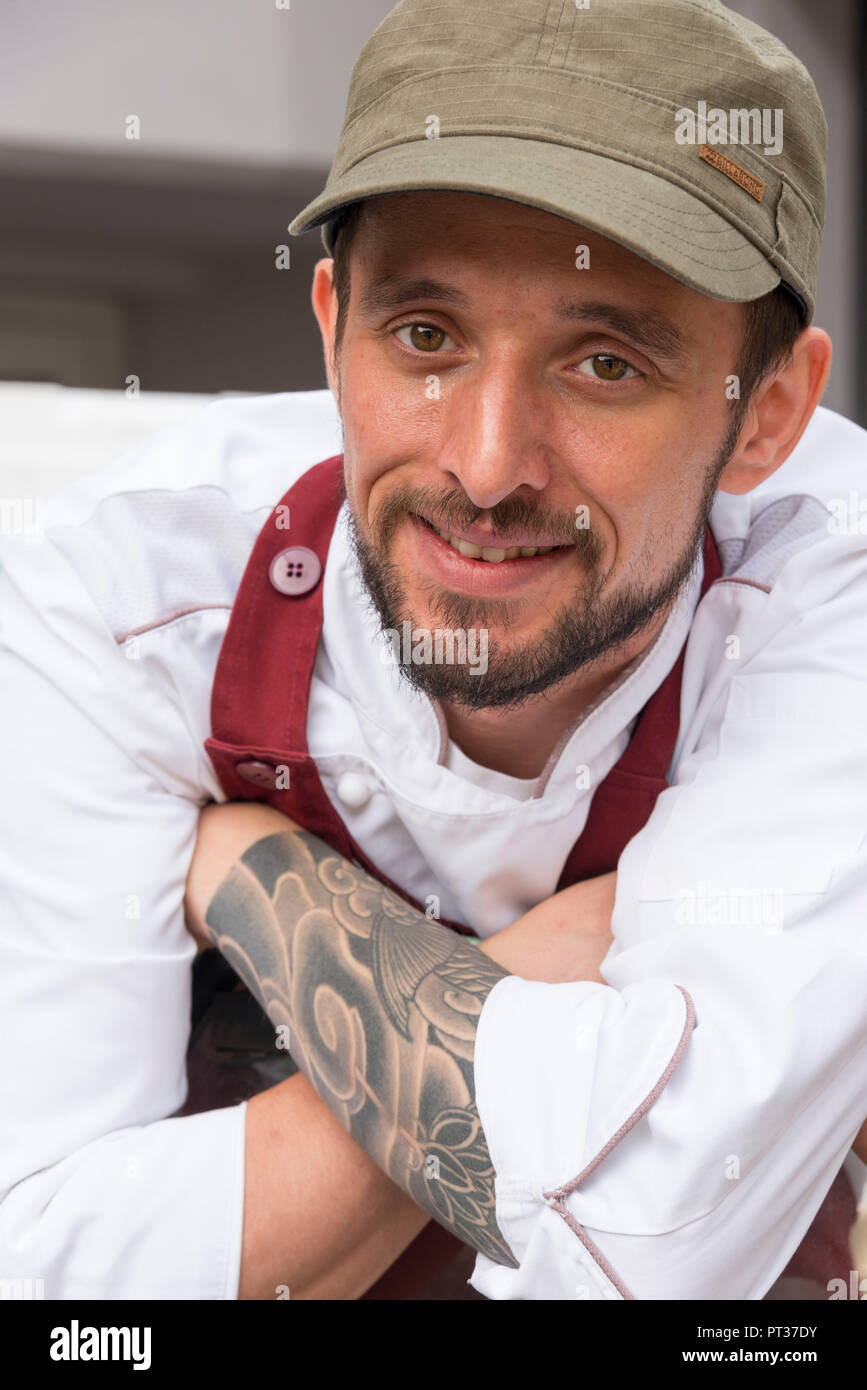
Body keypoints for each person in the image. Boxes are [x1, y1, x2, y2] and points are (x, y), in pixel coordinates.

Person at [1, 0, 865, 1301]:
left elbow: (645, 1251)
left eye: (605, 362)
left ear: (772, 413)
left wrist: (260, 875)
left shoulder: (833, 587)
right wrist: (533, 979)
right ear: (332, 322)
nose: (484, 463)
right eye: (425, 338)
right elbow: (48, 1278)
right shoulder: (123, 594)